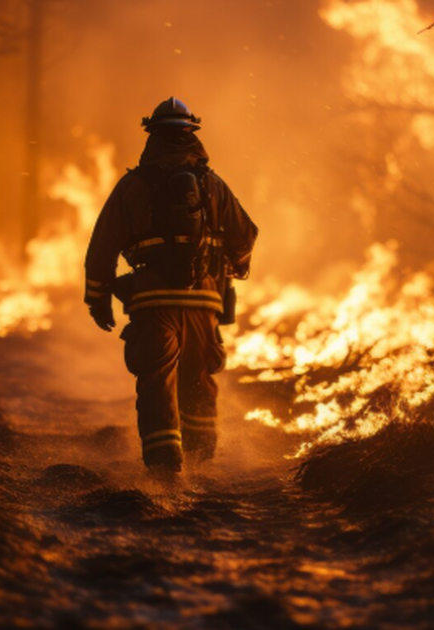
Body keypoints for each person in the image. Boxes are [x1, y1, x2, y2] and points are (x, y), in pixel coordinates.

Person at [83, 97, 259, 474]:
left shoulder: (132, 186)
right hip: (204, 303)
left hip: (152, 303)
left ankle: (165, 471)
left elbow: (102, 247)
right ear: (192, 134)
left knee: (157, 379)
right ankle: (202, 461)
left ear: (152, 136)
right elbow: (245, 235)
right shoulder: (213, 185)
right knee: (198, 379)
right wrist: (232, 268)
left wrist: (97, 299)